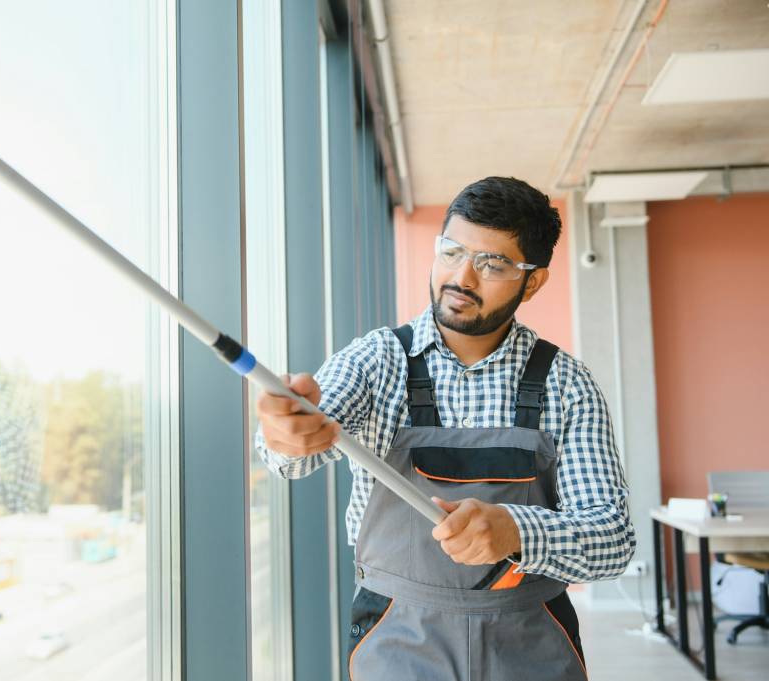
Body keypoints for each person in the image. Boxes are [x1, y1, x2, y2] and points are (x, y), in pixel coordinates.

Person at [255, 176, 635, 681]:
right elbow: (292, 457)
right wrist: (284, 434)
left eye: (491, 264)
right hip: (398, 640)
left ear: (533, 281)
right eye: (452, 252)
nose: (462, 277)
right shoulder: (376, 360)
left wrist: (516, 530)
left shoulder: (567, 384)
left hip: (531, 642)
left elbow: (612, 538)